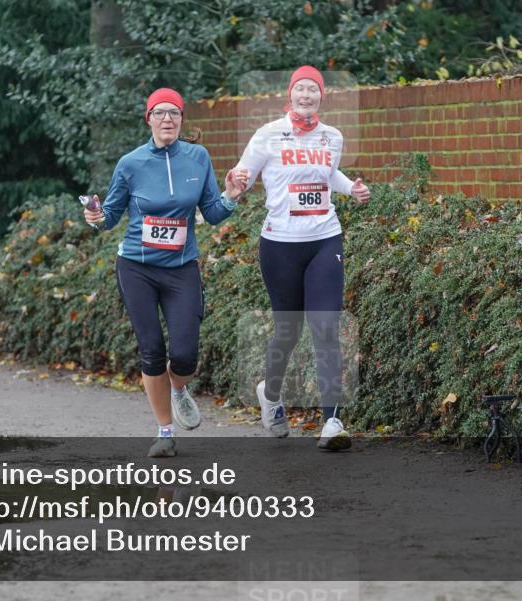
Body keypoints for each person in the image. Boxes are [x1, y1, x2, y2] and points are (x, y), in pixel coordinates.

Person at [83, 88, 248, 458]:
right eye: (160, 113)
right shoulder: (130, 163)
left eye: (174, 113)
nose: (167, 119)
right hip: (137, 268)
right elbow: (109, 216)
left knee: (185, 354)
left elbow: (213, 212)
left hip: (181, 268)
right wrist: (95, 217)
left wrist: (232, 196)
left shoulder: (198, 158)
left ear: (182, 120)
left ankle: (179, 390)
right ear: (149, 119)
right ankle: (165, 430)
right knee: (152, 351)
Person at [234, 66, 371, 451]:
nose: (307, 95)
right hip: (279, 245)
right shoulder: (268, 135)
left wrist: (352, 188)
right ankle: (271, 393)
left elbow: (328, 176)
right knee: (288, 331)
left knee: (325, 327)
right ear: (290, 94)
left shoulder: (333, 137)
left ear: (321, 96)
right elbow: (243, 175)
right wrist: (236, 183)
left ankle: (331, 421)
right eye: (301, 89)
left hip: (325, 238)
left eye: (313, 89)